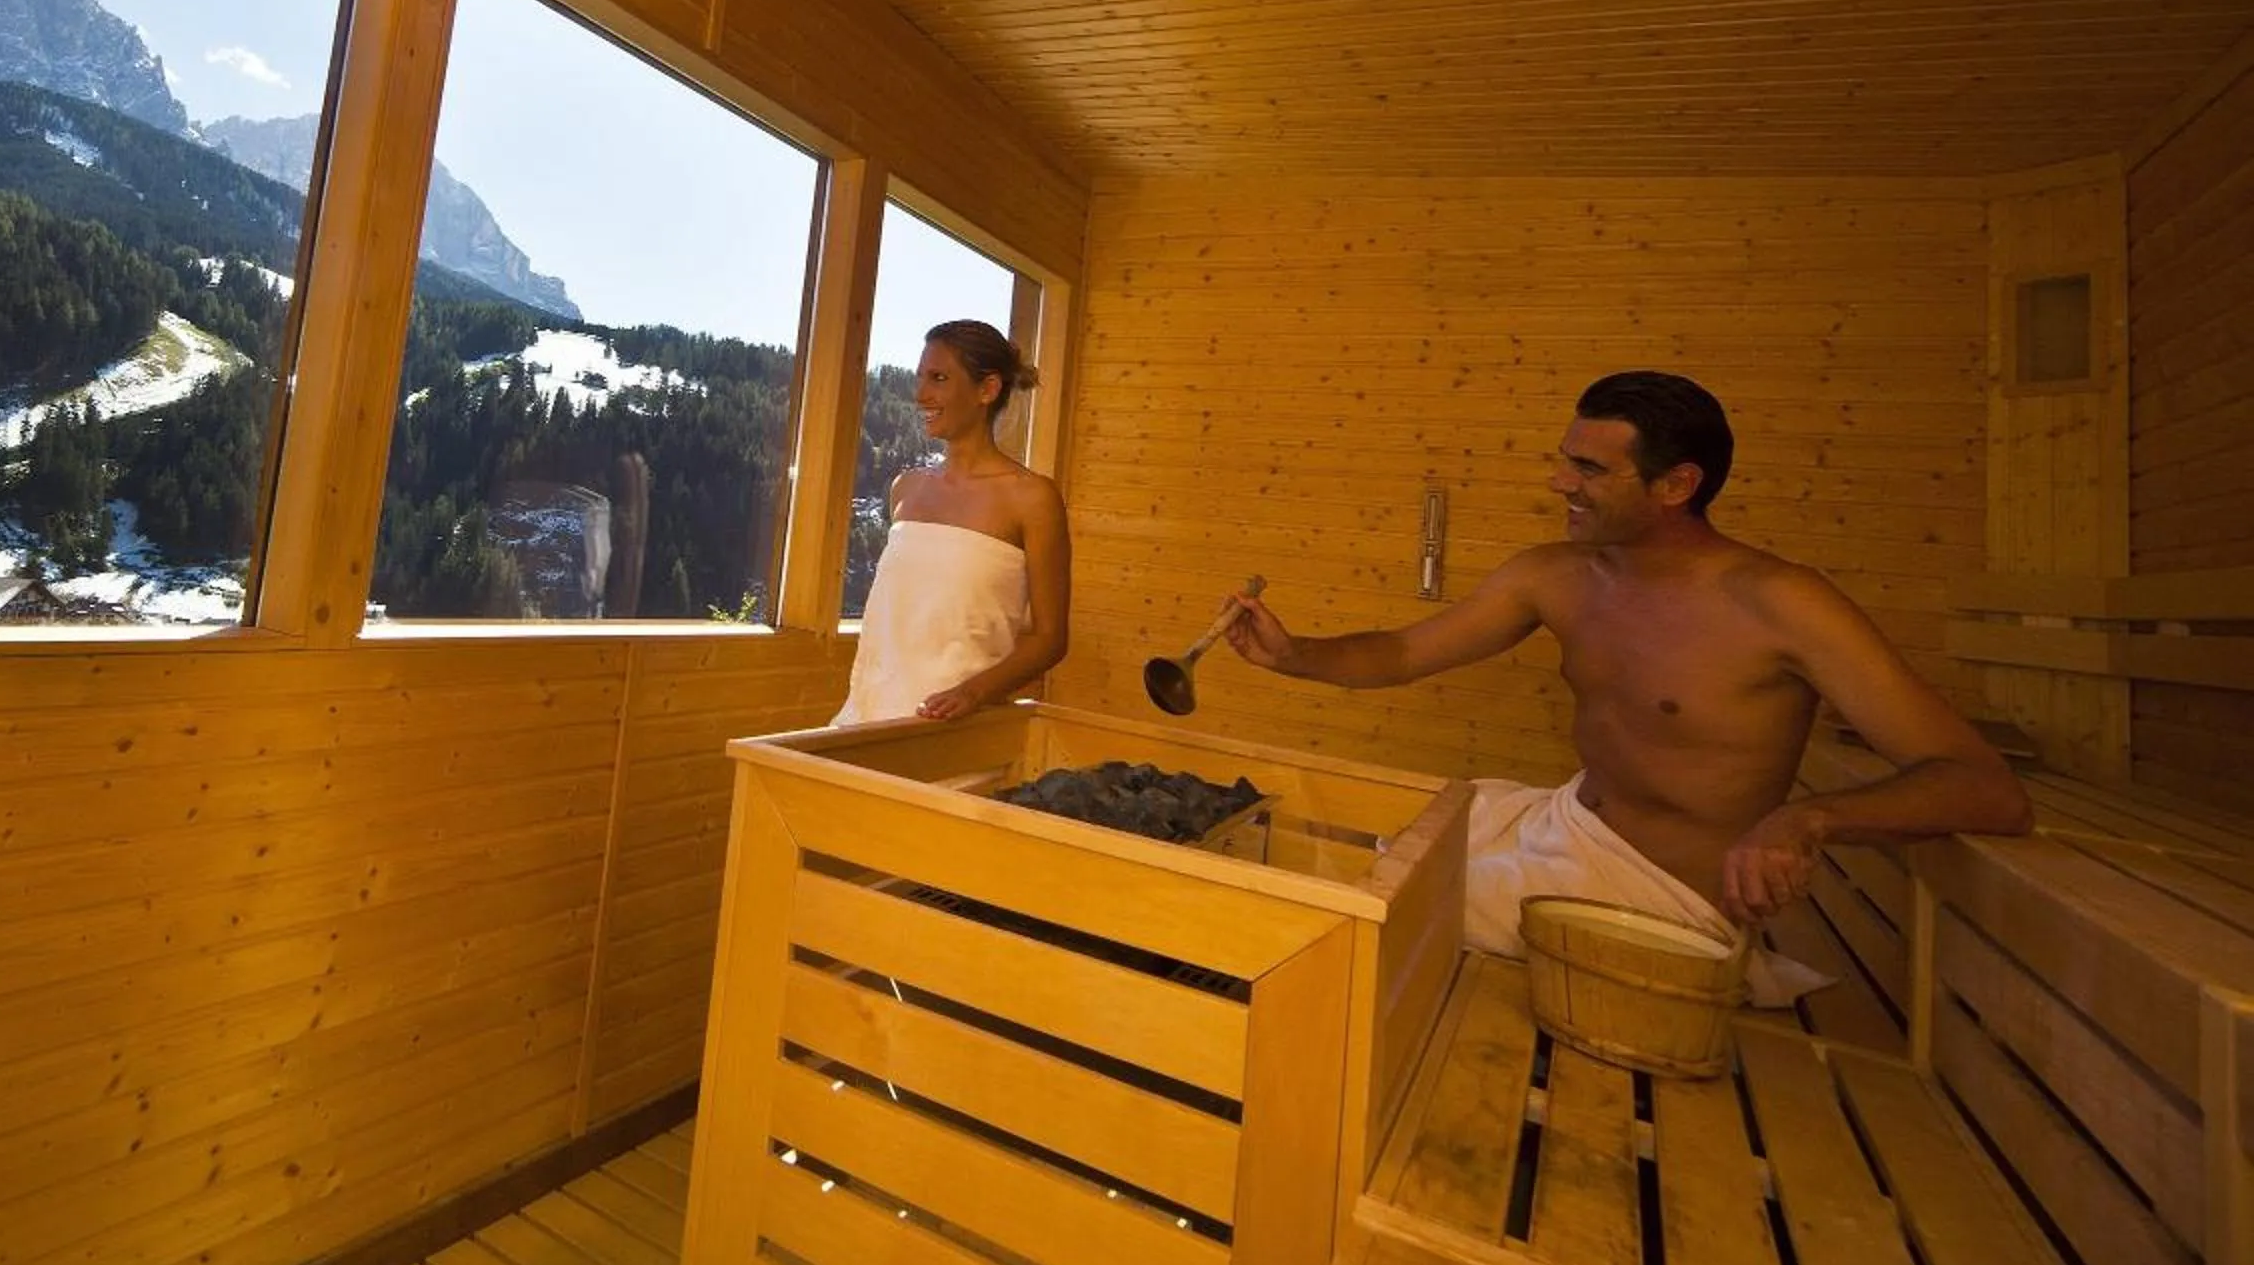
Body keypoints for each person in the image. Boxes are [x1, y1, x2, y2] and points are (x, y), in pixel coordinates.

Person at [1222, 370, 2029, 1004]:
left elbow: (1986, 789)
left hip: (1652, 894)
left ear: (1676, 485)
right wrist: (1294, 655)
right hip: (1568, 823)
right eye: (1565, 458)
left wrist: (1806, 818)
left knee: (1348, 917)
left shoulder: (1780, 604)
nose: (1559, 483)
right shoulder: (1558, 576)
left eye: (1588, 468)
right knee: (1393, 836)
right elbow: (1401, 653)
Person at [834, 320, 1072, 725]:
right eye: (920, 378)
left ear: (987, 389)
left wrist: (972, 693)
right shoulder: (906, 489)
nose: (921, 394)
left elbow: (1050, 639)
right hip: (866, 720)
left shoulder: (1032, 499)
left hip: (955, 728)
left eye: (939, 378)